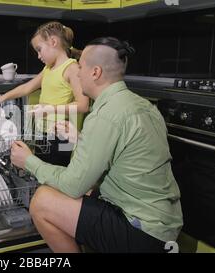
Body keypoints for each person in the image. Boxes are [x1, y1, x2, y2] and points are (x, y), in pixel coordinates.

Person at [10, 37, 183, 253]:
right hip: (163, 224)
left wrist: (29, 161)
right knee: (91, 190)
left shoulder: (104, 115)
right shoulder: (142, 104)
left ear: (95, 72)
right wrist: (81, 138)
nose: (78, 73)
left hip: (142, 231)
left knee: (42, 200)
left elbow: (73, 185)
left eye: (81, 67)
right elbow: (124, 154)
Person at [0, 21, 89, 167]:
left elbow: (83, 105)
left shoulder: (72, 68)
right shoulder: (48, 68)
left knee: (55, 175)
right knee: (42, 171)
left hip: (63, 134)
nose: (39, 56)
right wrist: (1, 98)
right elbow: (28, 87)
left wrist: (49, 109)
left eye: (39, 49)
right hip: (44, 130)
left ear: (53, 42)